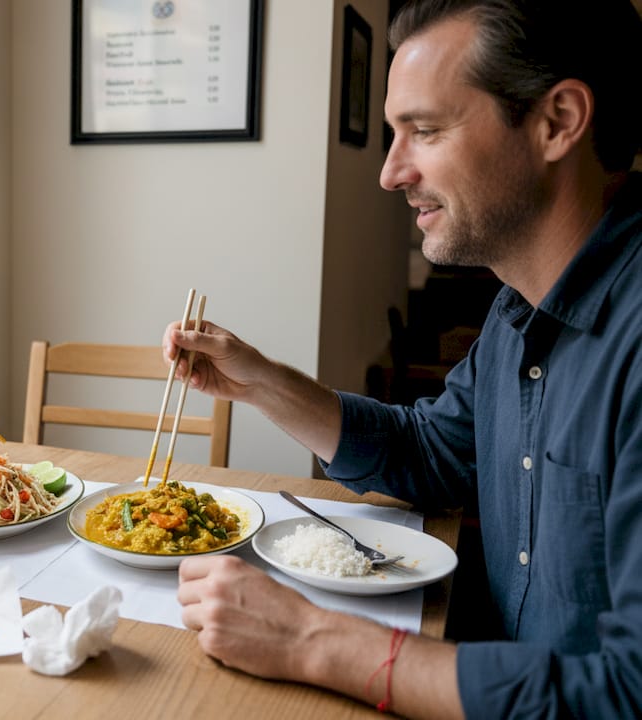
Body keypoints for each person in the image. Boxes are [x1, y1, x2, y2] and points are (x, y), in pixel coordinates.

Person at [168, 1, 642, 717]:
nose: (391, 173)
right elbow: (430, 453)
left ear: (558, 121)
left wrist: (312, 640)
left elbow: (625, 692)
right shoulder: (516, 315)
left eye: (424, 131)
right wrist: (261, 382)